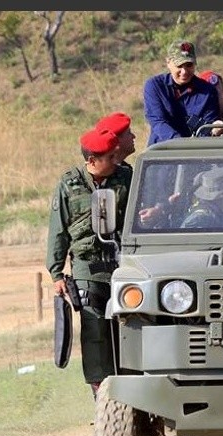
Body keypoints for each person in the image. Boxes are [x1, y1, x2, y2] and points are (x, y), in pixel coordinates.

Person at [46, 127, 133, 400]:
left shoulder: (126, 178)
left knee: (130, 325)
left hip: (123, 264)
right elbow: (57, 230)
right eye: (109, 156)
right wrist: (56, 273)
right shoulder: (68, 185)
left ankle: (132, 385)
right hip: (87, 266)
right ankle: (101, 391)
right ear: (92, 161)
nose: (115, 159)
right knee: (94, 328)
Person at [143, 39, 219, 145]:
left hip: (197, 151)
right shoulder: (155, 86)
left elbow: (208, 127)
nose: (184, 72)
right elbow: (158, 122)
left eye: (189, 65)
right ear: (168, 63)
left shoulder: (208, 91)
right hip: (162, 151)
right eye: (179, 66)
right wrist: (179, 144)